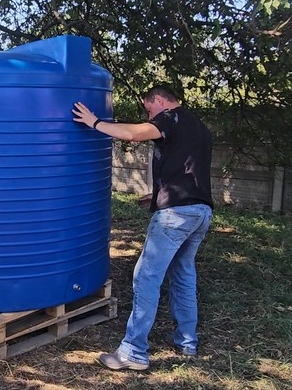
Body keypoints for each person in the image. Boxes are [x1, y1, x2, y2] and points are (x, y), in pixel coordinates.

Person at [72, 84, 213, 371]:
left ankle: (133, 351)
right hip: (201, 211)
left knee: (146, 277)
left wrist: (95, 122)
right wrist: (159, 193)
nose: (148, 115)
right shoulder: (197, 125)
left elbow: (134, 134)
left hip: (177, 215)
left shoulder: (170, 118)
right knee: (184, 274)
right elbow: (187, 169)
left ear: (159, 100)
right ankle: (187, 341)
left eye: (149, 109)